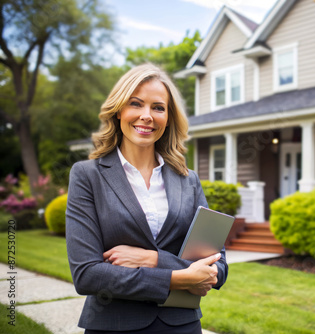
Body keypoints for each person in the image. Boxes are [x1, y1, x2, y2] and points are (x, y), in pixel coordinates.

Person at [66, 63, 228, 333]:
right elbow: (87, 275)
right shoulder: (87, 175)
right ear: (119, 111)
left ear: (168, 117)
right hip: (114, 324)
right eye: (136, 104)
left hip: (182, 325)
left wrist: (152, 259)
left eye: (158, 107)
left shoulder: (188, 180)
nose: (147, 116)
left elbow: (217, 267)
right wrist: (178, 278)